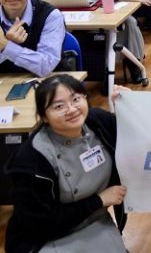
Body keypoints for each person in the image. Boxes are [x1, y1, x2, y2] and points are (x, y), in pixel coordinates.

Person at [4, 75, 128, 253]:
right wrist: (99, 200)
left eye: (76, 99)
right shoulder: (31, 159)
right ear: (44, 117)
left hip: (95, 221)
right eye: (58, 106)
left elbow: (139, 138)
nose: (71, 109)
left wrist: (128, 107)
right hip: (45, 237)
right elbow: (40, 224)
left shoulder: (98, 122)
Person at [0, 0, 65, 77]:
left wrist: (6, 46)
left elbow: (46, 66)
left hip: (45, 83)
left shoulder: (50, 16)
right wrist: (8, 45)